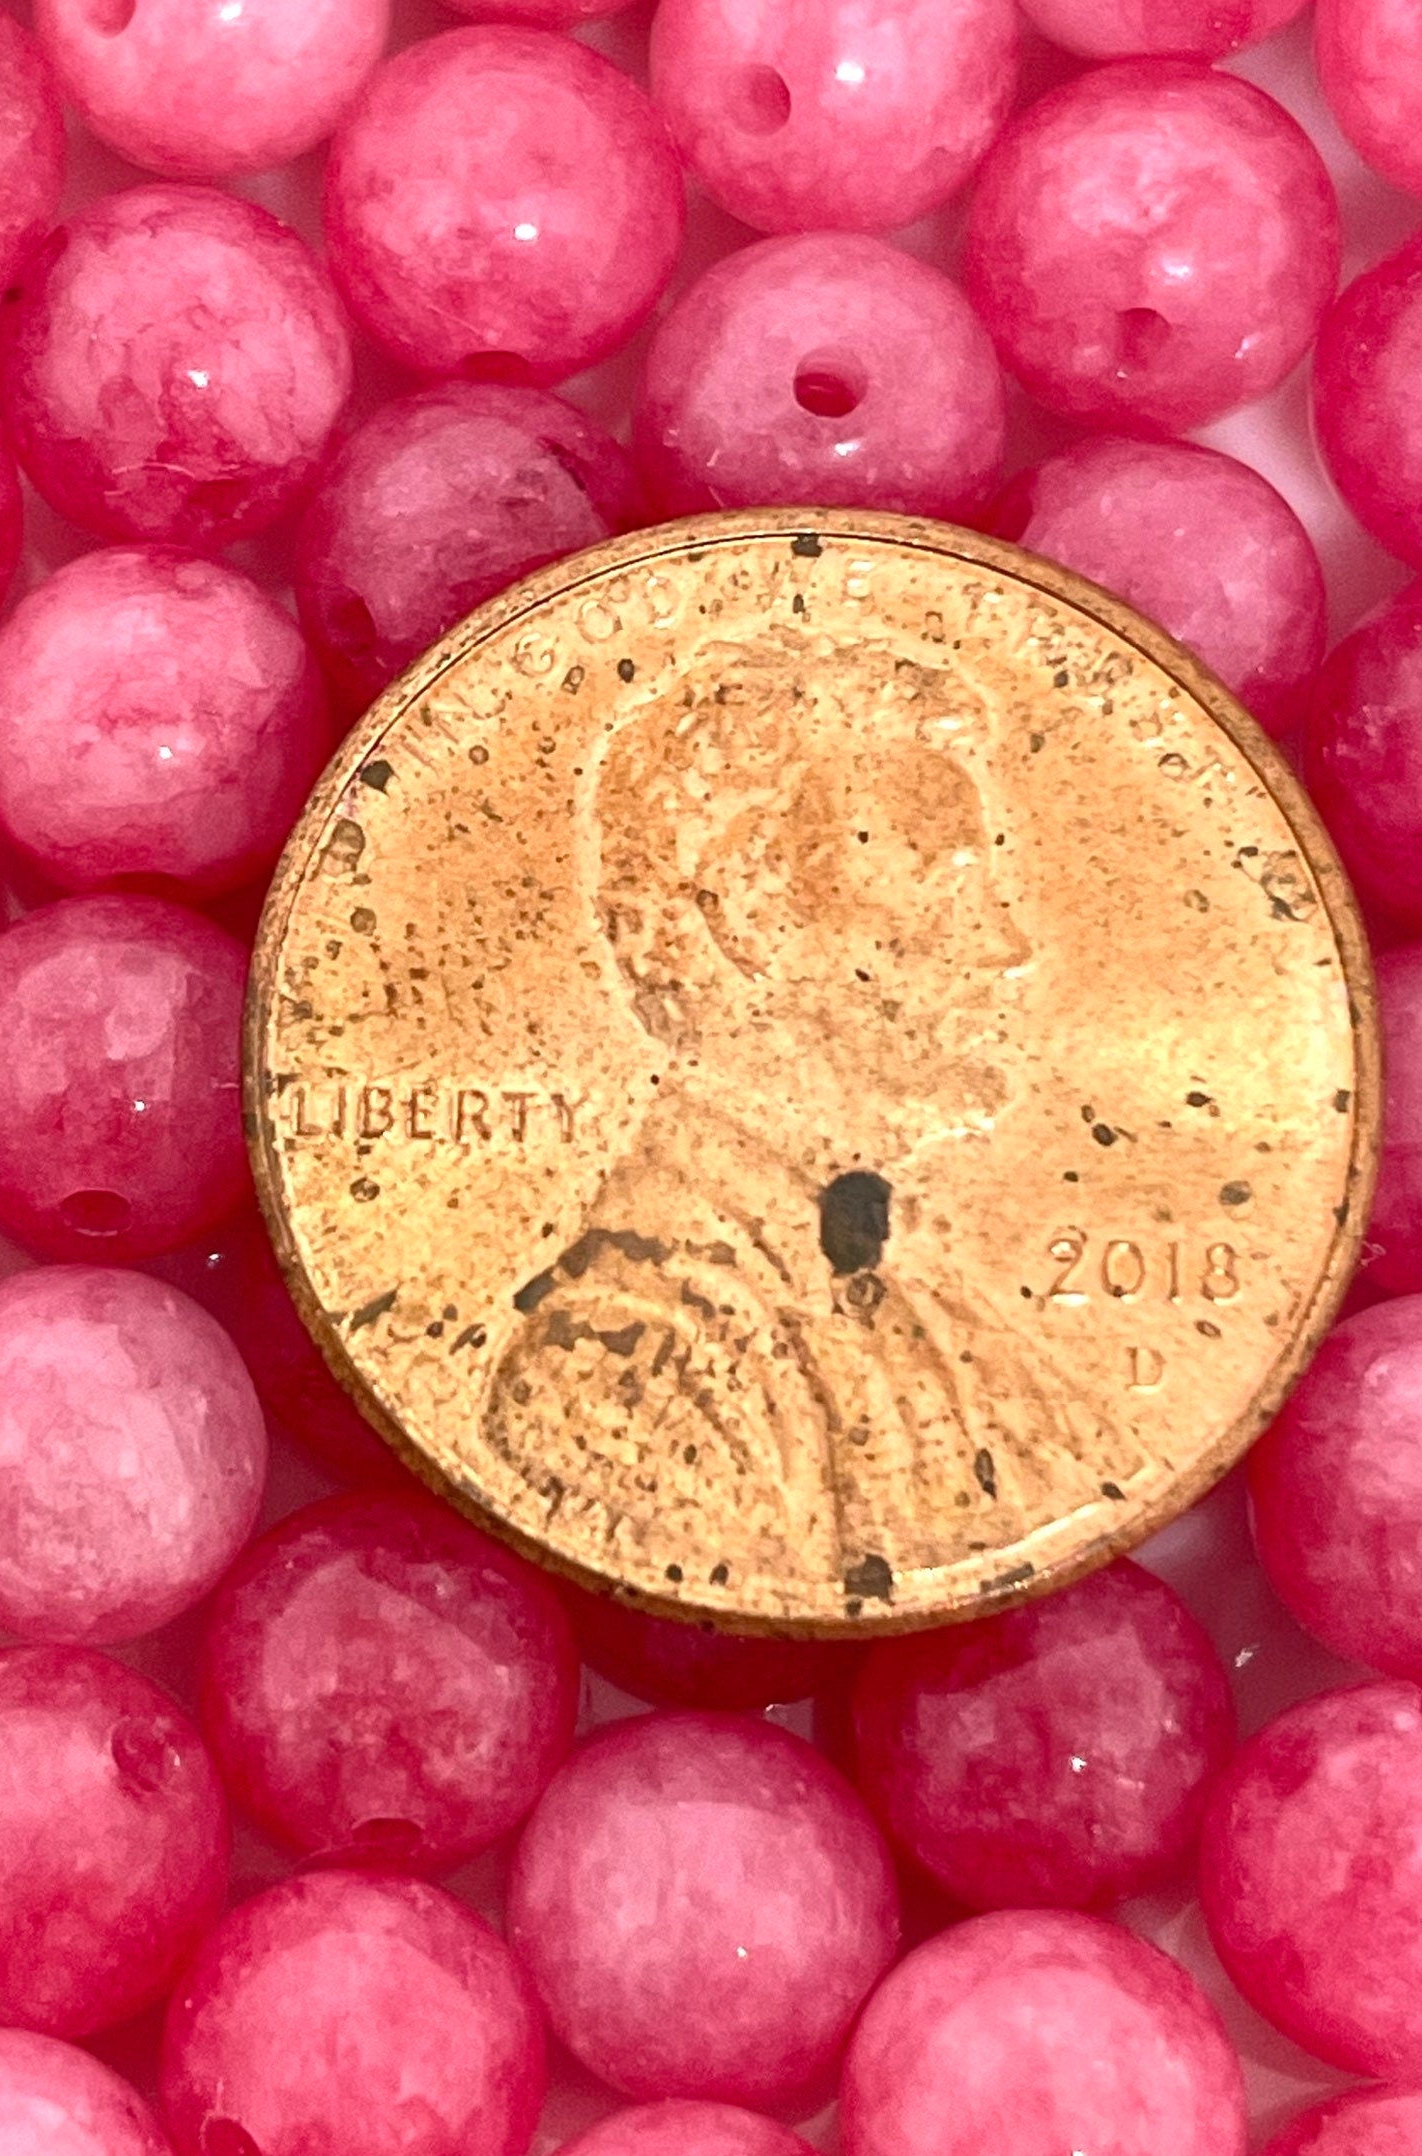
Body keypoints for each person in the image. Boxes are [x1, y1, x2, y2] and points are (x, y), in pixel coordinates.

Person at [480, 630, 1133, 1607]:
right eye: (950, 880)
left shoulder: (932, 1300)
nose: (1007, 945)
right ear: (752, 912)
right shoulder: (630, 1374)